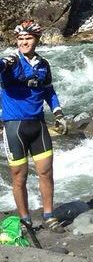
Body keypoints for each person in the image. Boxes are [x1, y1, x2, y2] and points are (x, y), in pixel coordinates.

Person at [0, 21, 66, 233]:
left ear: (36, 40)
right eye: (20, 39)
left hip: (38, 125)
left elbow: (49, 91)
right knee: (20, 176)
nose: (23, 42)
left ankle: (49, 215)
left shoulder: (43, 64)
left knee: (46, 171)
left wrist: (58, 112)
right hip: (14, 127)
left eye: (28, 38)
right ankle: (25, 219)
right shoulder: (11, 62)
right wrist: (4, 62)